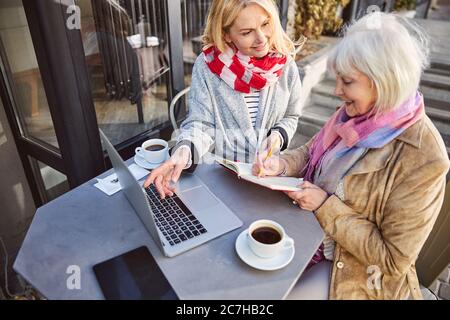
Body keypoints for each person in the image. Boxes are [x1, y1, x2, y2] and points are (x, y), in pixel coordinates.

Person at [253, 12, 450, 299]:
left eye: (346, 81)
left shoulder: (424, 157)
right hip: (308, 235)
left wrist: (325, 205)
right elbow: (310, 153)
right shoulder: (355, 114)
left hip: (353, 274)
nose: (336, 91)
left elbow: (393, 260)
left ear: (383, 81)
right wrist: (281, 163)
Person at [144, 0, 302, 198]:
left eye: (265, 24)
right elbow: (200, 124)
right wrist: (183, 150)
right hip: (222, 181)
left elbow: (291, 116)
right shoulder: (207, 66)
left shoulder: (286, 64)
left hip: (268, 179)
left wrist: (277, 136)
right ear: (226, 34)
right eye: (246, 32)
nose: (262, 38)